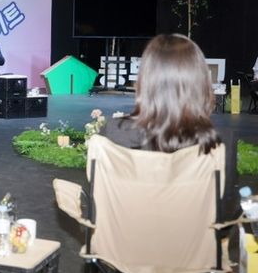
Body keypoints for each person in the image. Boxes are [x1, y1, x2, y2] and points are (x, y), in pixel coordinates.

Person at [102, 34, 239, 224]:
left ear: (143, 81)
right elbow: (224, 212)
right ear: (201, 83)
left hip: (126, 239)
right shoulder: (220, 140)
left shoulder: (114, 132)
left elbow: (103, 204)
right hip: (194, 241)